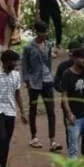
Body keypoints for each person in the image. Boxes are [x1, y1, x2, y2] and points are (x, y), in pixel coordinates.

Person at [21, 21, 62, 152]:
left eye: (46, 32)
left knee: (51, 110)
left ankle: (52, 140)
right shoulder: (28, 48)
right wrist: (26, 81)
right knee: (33, 109)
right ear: (37, 32)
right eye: (42, 32)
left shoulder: (48, 45)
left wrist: (50, 75)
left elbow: (49, 62)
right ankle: (33, 137)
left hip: (47, 80)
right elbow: (24, 66)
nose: (45, 34)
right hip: (34, 81)